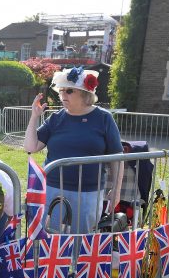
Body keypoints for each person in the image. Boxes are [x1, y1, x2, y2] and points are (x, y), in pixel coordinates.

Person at [24, 67, 123, 234]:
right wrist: (34, 116)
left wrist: (117, 190)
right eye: (61, 90)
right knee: (52, 240)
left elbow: (117, 157)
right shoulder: (55, 118)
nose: (63, 95)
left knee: (82, 241)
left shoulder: (104, 118)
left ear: (85, 94)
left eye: (69, 91)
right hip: (53, 189)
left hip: (89, 192)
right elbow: (30, 147)